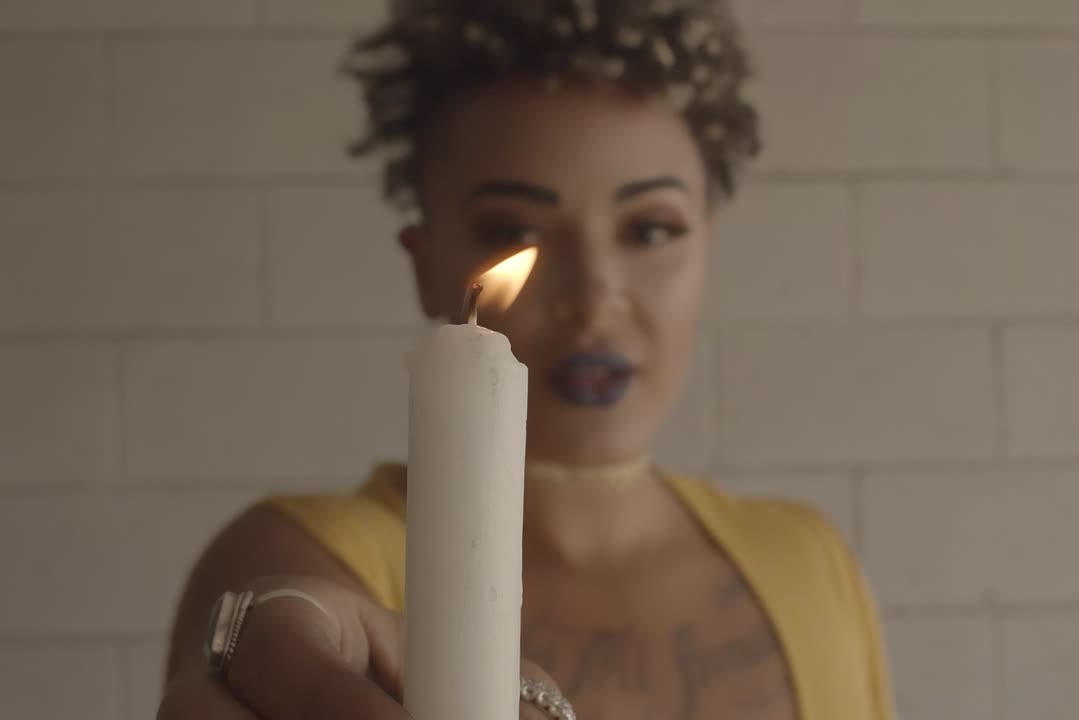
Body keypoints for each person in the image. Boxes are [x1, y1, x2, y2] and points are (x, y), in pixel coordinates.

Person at [156, 1, 896, 718]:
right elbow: (274, 633)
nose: (594, 295)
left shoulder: (810, 562)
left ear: (708, 246)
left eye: (649, 229)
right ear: (423, 262)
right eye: (511, 227)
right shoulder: (310, 560)